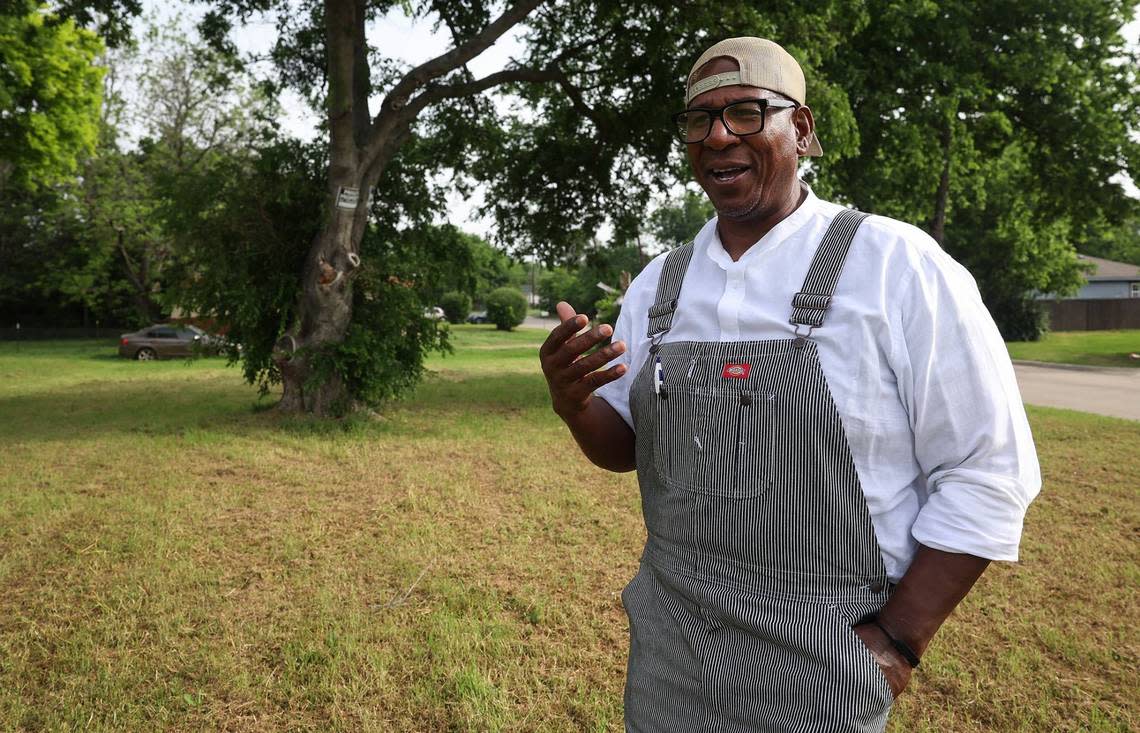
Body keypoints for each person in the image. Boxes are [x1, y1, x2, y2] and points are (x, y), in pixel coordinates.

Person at [539, 36, 1040, 732]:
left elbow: (989, 470)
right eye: (698, 120)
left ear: (800, 130)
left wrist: (895, 642)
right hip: (668, 665)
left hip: (825, 672)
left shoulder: (898, 266)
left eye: (746, 112)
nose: (718, 136)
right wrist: (574, 402)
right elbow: (624, 447)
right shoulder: (659, 285)